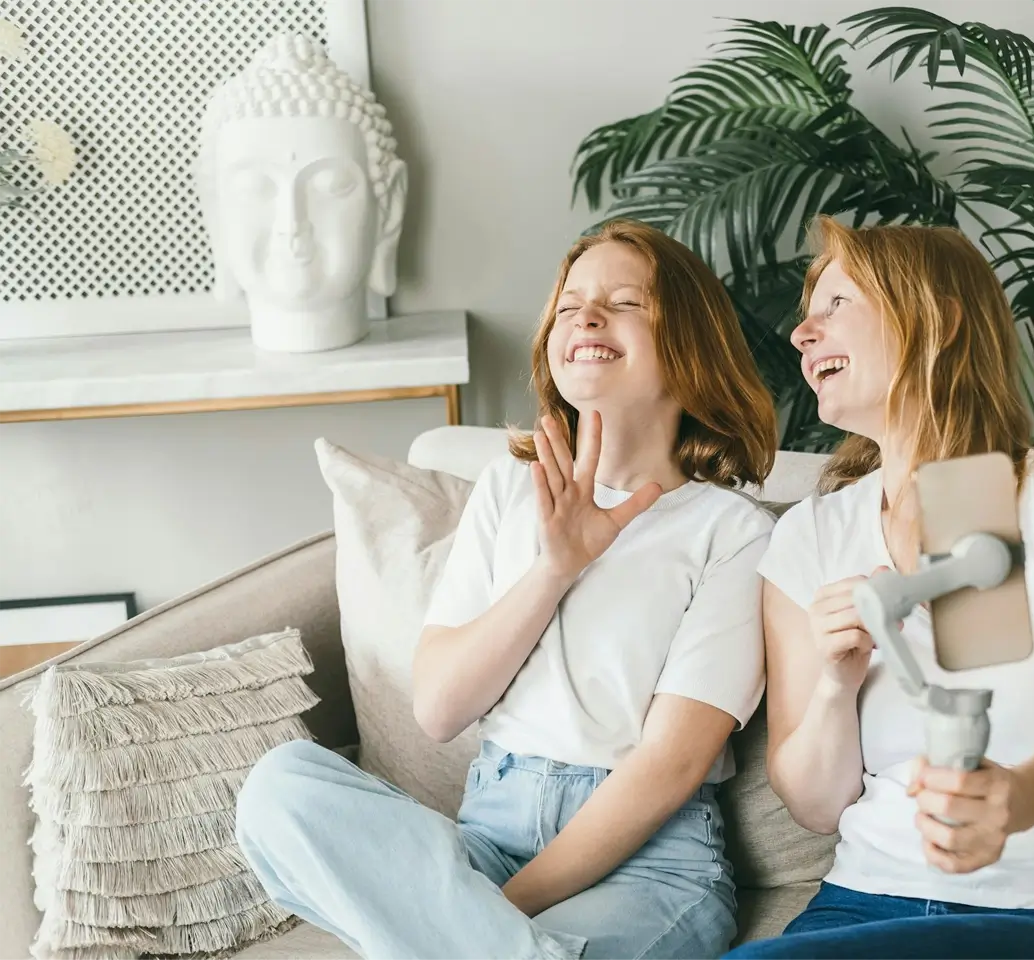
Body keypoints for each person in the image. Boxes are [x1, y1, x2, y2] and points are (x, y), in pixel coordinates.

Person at [235, 219, 780, 960]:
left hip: (650, 866)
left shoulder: (731, 530)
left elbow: (670, 767)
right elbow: (440, 707)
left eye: (624, 303)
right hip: (483, 838)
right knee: (281, 786)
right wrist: (555, 566)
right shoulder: (506, 490)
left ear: (691, 348)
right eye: (568, 306)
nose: (586, 316)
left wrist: (483, 914)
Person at [724, 217, 1034, 960]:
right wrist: (836, 684)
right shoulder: (814, 534)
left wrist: (1018, 800)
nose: (803, 333)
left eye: (837, 303)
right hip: (860, 904)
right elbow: (814, 805)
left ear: (937, 319)